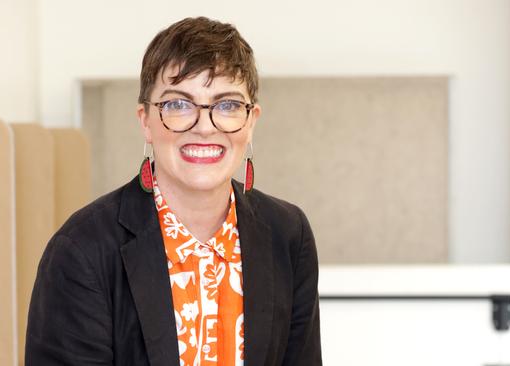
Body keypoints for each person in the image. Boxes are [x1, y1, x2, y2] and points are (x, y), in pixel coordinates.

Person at [25, 16, 321, 366]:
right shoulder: (82, 250)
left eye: (226, 105)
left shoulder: (288, 235)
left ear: (251, 120)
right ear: (146, 121)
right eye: (178, 104)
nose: (205, 127)